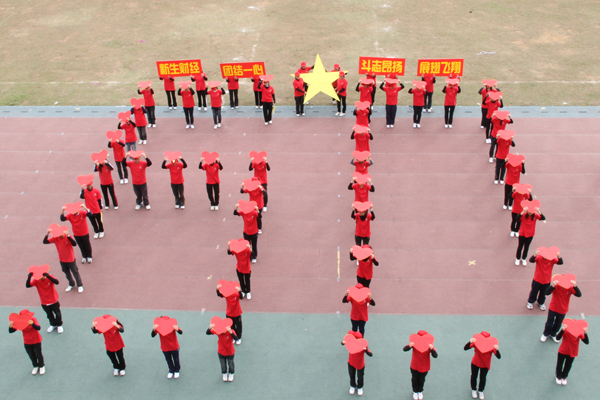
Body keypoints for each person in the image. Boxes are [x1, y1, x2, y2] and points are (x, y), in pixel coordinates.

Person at [542, 277, 581, 342]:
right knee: (549, 322)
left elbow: (579, 295)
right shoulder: (556, 286)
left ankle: (553, 334)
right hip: (553, 308)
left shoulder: (570, 288)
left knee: (558, 324)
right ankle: (545, 334)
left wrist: (575, 286)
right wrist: (552, 286)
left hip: (563, 310)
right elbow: (546, 293)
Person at [464, 333, 501, 400]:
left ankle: (481, 391)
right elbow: (465, 348)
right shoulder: (476, 343)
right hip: (475, 363)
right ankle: (474, 390)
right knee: (474, 376)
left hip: (485, 365)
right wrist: (470, 342)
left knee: (483, 378)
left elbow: (498, 356)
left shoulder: (491, 346)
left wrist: (497, 350)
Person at [404, 331, 438, 400]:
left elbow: (435, 355)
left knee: (421, 380)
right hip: (415, 365)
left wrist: (432, 349)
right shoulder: (414, 343)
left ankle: (420, 391)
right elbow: (404, 349)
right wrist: (409, 346)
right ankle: (415, 391)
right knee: (414, 379)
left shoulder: (429, 345)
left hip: (424, 367)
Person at [9, 310, 45, 375]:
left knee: (38, 354)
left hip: (36, 340)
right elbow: (11, 331)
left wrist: (32, 324)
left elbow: (38, 328)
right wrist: (11, 326)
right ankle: (35, 366)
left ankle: (41, 366)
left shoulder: (33, 319)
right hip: (27, 342)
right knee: (31, 355)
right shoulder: (20, 322)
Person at [341, 330, 372, 396]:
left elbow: (370, 354)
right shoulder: (350, 343)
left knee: (360, 376)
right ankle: (352, 386)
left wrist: (366, 350)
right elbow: (343, 343)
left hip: (360, 364)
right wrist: (342, 343)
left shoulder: (363, 345)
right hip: (351, 362)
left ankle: (360, 387)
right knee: (351, 375)